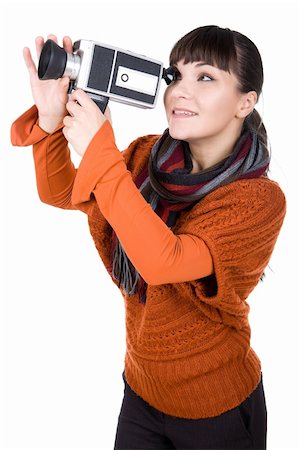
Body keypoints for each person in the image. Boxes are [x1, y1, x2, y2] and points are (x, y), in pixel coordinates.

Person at [11, 25, 286, 450]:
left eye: (206, 77)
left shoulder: (258, 200)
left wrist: (101, 151)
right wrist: (51, 125)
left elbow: (165, 261)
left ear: (245, 102)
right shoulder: (145, 157)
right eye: (175, 76)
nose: (180, 92)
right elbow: (63, 192)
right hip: (141, 392)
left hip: (217, 409)